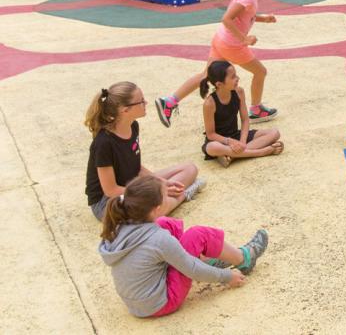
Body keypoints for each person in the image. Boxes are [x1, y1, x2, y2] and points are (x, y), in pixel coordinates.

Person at [98, 175, 269, 317]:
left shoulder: (119, 225)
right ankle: (244, 259)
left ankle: (201, 257)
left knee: (165, 223)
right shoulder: (159, 239)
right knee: (198, 234)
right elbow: (192, 269)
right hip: (161, 303)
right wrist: (226, 276)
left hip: (136, 304)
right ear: (157, 208)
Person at [155, 0, 279, 128]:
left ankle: (169, 101)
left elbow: (243, 15)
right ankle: (256, 109)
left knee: (206, 75)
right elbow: (227, 18)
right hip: (232, 45)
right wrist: (244, 39)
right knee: (260, 72)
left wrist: (263, 19)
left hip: (221, 40)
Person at [84, 82, 204, 221]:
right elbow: (111, 190)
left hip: (132, 184)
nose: (146, 102)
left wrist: (162, 182)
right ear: (125, 110)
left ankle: (168, 195)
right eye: (141, 101)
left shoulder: (133, 126)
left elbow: (137, 168)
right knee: (156, 210)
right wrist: (156, 191)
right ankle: (183, 195)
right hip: (107, 202)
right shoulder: (104, 143)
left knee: (190, 168)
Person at [200, 61, 283, 168]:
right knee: (212, 147)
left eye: (236, 74)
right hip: (220, 141)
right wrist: (229, 142)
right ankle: (262, 152)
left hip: (237, 135)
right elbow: (210, 134)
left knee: (274, 133)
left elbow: (245, 120)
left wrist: (242, 142)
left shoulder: (239, 92)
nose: (237, 78)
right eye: (233, 77)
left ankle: (233, 156)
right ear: (219, 84)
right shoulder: (209, 103)